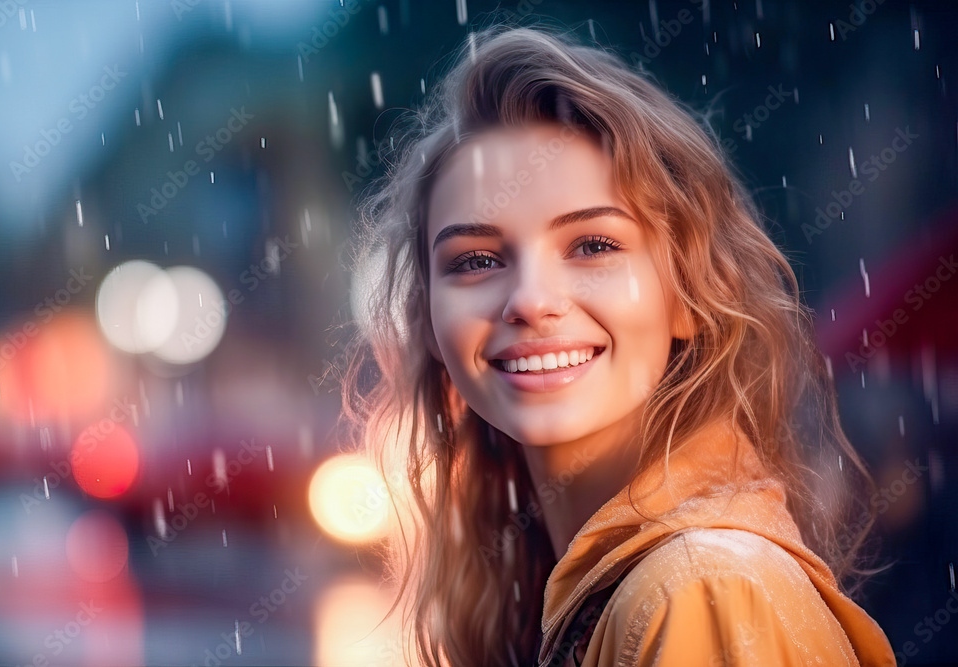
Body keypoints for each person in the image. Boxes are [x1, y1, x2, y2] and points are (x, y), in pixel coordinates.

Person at [336, 22, 897, 667]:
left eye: (593, 245)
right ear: (430, 321)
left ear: (687, 291)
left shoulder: (702, 592)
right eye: (476, 259)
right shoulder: (615, 585)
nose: (530, 299)